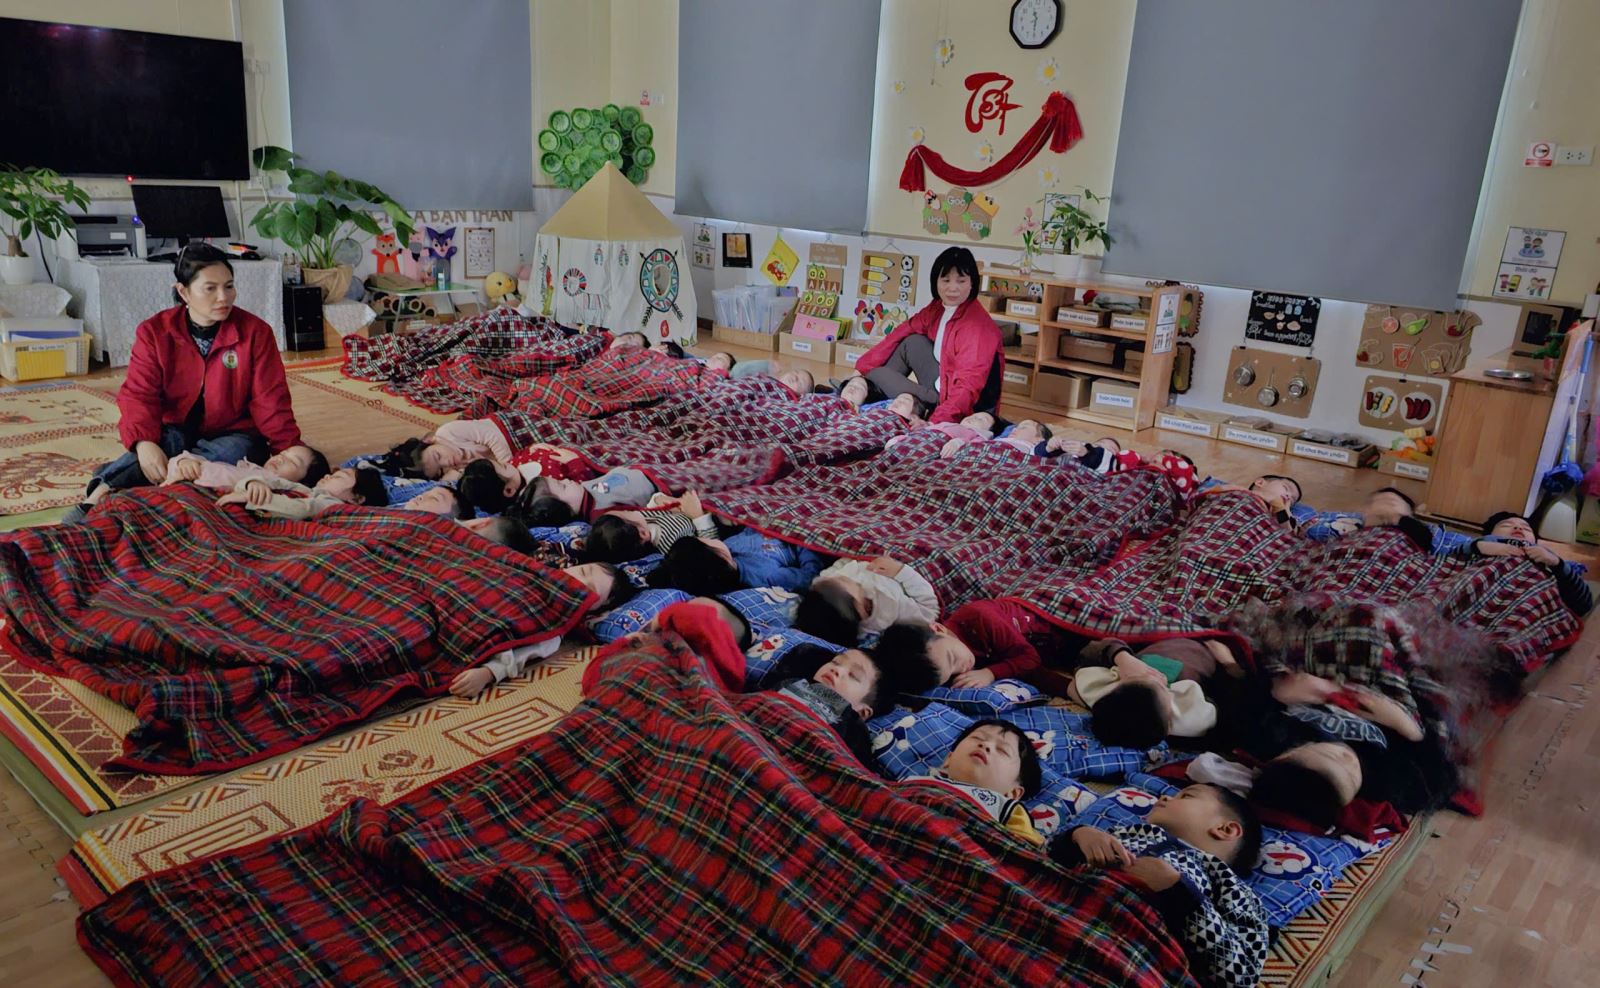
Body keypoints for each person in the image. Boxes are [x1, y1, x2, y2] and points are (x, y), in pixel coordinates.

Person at [72, 244, 302, 520]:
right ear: (183, 292)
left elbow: (271, 399)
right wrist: (143, 443)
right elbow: (139, 394)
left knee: (236, 452)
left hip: (234, 432)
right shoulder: (154, 332)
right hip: (176, 428)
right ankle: (95, 498)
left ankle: (153, 492)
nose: (223, 297)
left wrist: (290, 454)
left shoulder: (255, 332)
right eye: (210, 288)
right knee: (160, 447)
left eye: (229, 286)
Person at [1050, 784, 1268, 988]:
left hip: (1123, 958)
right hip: (1057, 914)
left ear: (1225, 829)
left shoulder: (1233, 887)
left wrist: (1178, 892)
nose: (1163, 797)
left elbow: (1241, 978)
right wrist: (1077, 836)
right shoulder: (1125, 834)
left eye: (1186, 796)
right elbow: (1046, 861)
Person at [851, 245, 1003, 424]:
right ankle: (867, 392)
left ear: (972, 284)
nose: (952, 288)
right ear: (936, 281)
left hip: (959, 404)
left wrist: (934, 423)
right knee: (912, 342)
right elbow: (904, 329)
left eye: (961, 281)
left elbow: (968, 386)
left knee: (876, 375)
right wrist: (860, 367)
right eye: (946, 280)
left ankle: (874, 398)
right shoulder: (938, 308)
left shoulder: (977, 328)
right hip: (943, 379)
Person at [447, 562, 636, 698]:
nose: (577, 579)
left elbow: (519, 656)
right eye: (582, 571)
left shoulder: (554, 630)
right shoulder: (531, 568)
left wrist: (487, 673)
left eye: (588, 589)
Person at [1068, 636, 1242, 748]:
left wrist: (1123, 659)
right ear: (1170, 715)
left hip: (1165, 636)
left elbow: (1090, 654)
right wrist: (1229, 664)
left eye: (1137, 678)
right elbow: (1236, 700)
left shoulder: (1109, 699)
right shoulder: (1191, 716)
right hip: (1208, 650)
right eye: (1161, 686)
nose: (1154, 675)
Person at [904, 719, 1045, 846]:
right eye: (977, 738)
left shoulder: (1006, 808)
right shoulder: (914, 781)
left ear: (1013, 793)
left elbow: (1026, 853)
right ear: (948, 759)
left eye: (1002, 750)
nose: (985, 745)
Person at [765, 642, 897, 771]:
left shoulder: (852, 727)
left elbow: (853, 771)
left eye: (853, 675)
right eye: (835, 662)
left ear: (862, 712)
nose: (837, 669)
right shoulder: (791, 682)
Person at [1445, 511, 1593, 614]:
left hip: (1523, 606)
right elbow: (1446, 564)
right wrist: (1478, 546)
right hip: (1472, 597)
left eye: (1526, 528)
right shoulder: (1481, 543)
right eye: (1506, 525)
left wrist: (1557, 564)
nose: (1518, 527)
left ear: (1534, 540)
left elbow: (1583, 604)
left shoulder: (1547, 555)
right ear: (1491, 534)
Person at [794, 555, 939, 643]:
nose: (841, 576)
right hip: (908, 570)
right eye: (845, 580)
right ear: (862, 607)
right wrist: (901, 572)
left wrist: (853, 556)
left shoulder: (827, 583)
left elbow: (839, 567)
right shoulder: (891, 608)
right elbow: (930, 610)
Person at [215, 465, 390, 519]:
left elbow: (300, 509)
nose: (327, 475)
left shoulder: (333, 505)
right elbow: (276, 481)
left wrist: (251, 497)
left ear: (357, 498)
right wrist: (254, 483)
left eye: (338, 477)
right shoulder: (306, 490)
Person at [162, 444, 329, 492]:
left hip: (191, 494)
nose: (281, 458)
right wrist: (184, 461)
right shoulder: (247, 467)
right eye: (283, 453)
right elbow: (209, 466)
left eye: (293, 462)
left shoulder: (271, 484)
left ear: (304, 483)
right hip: (174, 481)